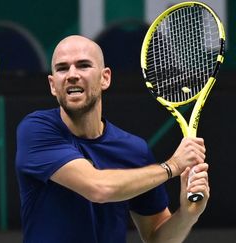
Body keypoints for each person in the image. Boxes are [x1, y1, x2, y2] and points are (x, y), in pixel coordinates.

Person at [15, 35, 209, 243]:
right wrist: (172, 166)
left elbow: (157, 238)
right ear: (53, 85)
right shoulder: (36, 130)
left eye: (83, 65)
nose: (72, 75)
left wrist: (188, 215)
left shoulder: (133, 150)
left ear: (105, 77)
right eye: (62, 68)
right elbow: (98, 188)